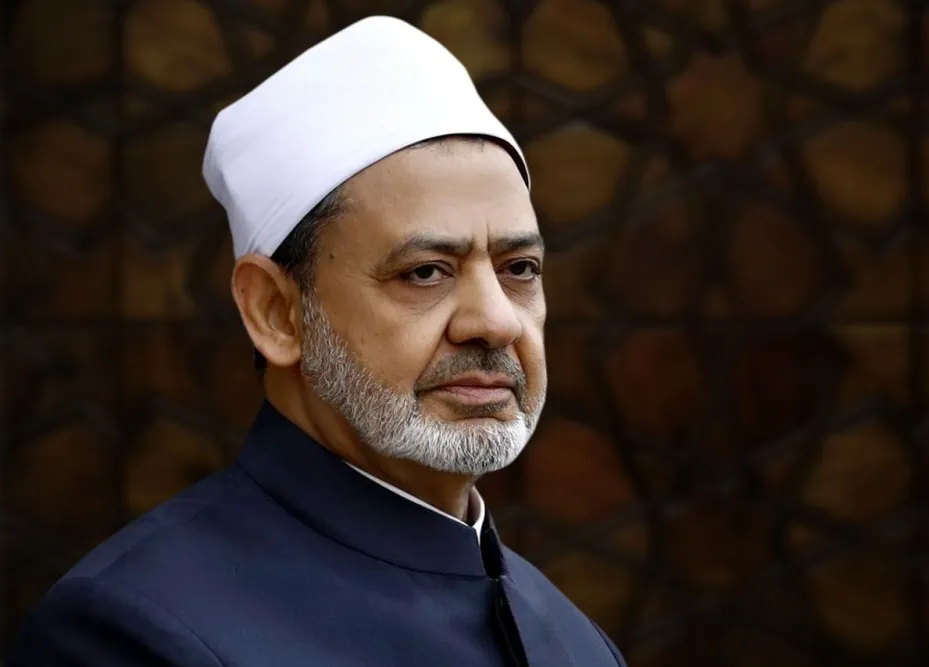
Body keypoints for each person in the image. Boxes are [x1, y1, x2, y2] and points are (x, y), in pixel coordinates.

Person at [5, 15, 627, 667]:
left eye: (519, 269)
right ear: (276, 312)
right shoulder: (132, 632)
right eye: (425, 272)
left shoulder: (576, 642)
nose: (496, 322)